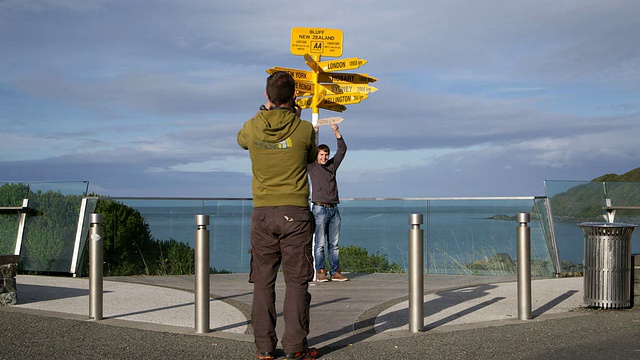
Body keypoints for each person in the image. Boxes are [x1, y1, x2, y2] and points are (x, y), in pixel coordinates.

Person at [237, 71, 318, 360]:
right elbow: (310, 159)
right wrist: (295, 117)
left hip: (262, 213)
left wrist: (263, 114)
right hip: (295, 213)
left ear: (266, 96)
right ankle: (296, 347)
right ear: (294, 96)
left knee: (263, 281)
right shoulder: (305, 129)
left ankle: (264, 349)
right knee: (296, 282)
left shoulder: (252, 126)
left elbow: (241, 140)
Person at [308, 123, 348, 282]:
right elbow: (305, 151)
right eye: (321, 155)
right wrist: (312, 134)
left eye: (326, 154)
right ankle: (321, 271)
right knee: (320, 244)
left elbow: (342, 150)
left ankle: (335, 271)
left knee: (335, 244)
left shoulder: (332, 166)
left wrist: (336, 132)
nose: (324, 157)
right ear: (316, 156)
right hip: (319, 209)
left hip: (334, 210)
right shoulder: (311, 166)